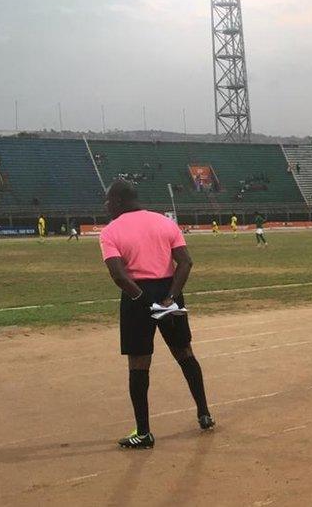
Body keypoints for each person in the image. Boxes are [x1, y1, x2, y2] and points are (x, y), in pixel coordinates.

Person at [98, 180, 213, 449]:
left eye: (107, 201)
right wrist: (169, 298)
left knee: (139, 363)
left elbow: (118, 275)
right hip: (168, 290)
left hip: (136, 294)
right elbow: (185, 261)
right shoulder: (165, 222)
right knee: (184, 353)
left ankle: (144, 432)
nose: (106, 206)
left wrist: (143, 301)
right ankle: (204, 413)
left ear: (117, 201)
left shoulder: (110, 231)